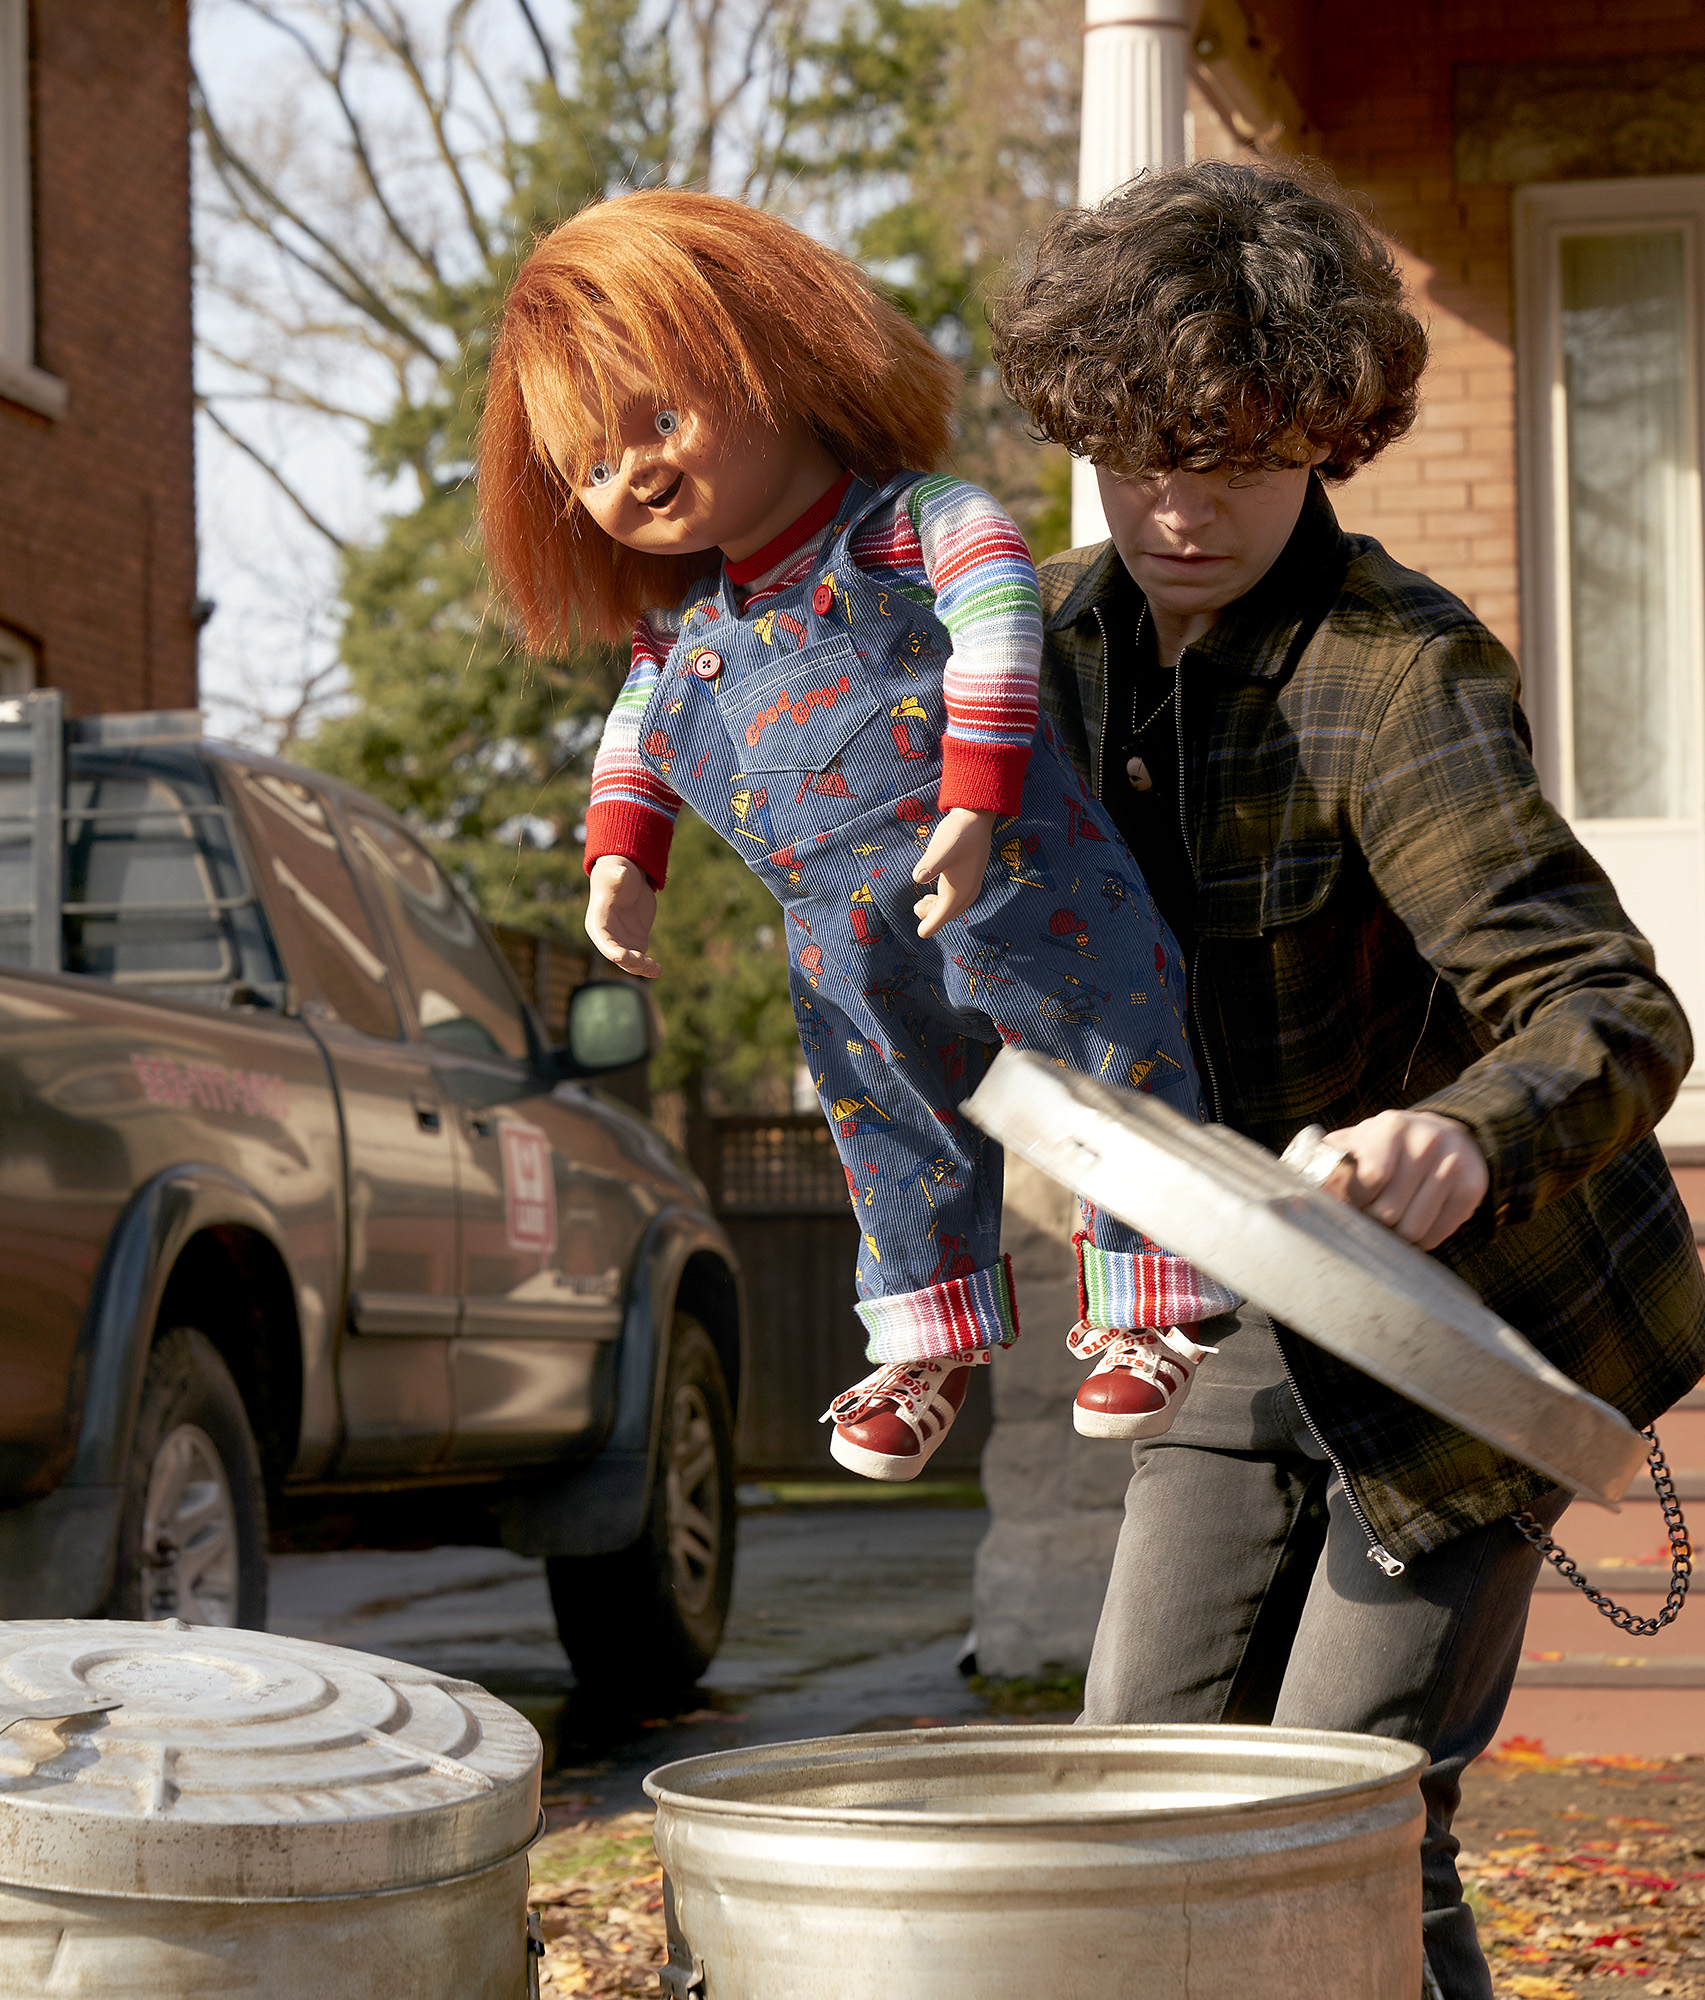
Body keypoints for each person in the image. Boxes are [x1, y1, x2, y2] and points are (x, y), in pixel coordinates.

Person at [988, 158, 1705, 2000]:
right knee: (1138, 1780)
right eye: (1135, 455)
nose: (1175, 509)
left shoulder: (1398, 675)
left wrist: (1458, 1136)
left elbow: (1613, 1010)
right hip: (1248, 1290)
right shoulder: (1045, 647)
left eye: (1230, 454)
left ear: (1325, 424)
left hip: (1485, 1314)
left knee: (1350, 1819)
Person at [478, 188, 1239, 1482]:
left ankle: (1157, 1298)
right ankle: (925, 1338)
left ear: (777, 353)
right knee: (879, 1107)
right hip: (834, 923)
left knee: (1104, 1039)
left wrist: (973, 796)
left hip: (1008, 863)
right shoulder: (685, 625)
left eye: (661, 420)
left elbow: (996, 592)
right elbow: (637, 730)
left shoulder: (896, 524)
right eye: (593, 466)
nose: (638, 473)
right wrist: (621, 859)